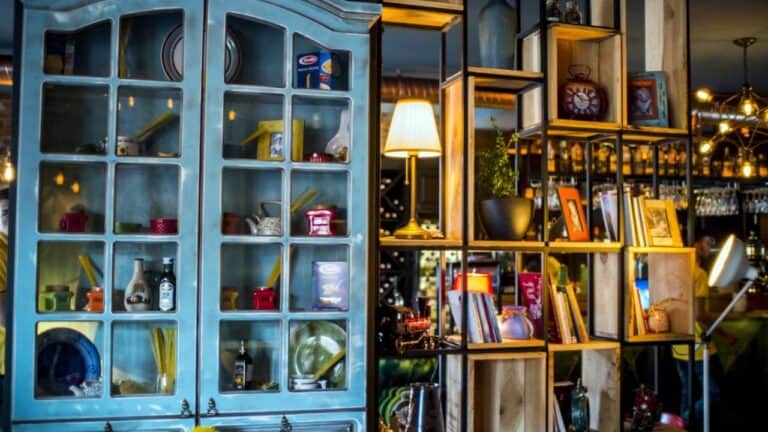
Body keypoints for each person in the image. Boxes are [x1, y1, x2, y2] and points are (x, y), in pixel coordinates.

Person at [671, 233, 731, 430]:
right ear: (695, 244)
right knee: (713, 393)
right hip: (698, 346)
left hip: (678, 344)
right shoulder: (699, 274)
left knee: (687, 392)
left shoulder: (675, 270)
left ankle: (683, 426)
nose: (710, 247)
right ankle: (689, 420)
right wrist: (725, 334)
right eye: (707, 242)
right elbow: (700, 315)